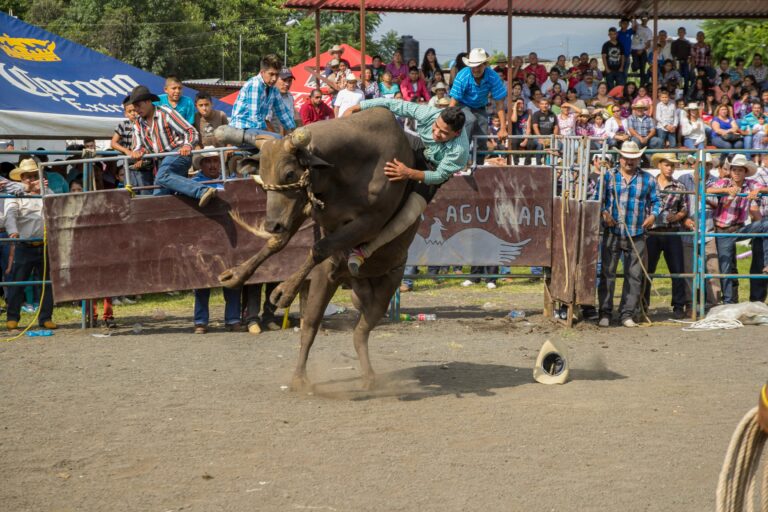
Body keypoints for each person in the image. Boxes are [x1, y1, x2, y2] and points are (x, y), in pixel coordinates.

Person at [342, 100, 468, 276]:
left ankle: (364, 252)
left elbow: (438, 176)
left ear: (457, 133)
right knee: (387, 133)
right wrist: (357, 107)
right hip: (418, 145)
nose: (436, 133)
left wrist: (408, 173)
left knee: (409, 215)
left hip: (433, 169)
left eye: (443, 133)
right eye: (436, 126)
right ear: (437, 117)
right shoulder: (428, 113)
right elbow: (393, 104)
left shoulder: (460, 151)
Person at [597, 141, 660, 327]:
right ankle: (605, 312)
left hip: (637, 232)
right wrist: (604, 212)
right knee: (607, 272)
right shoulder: (608, 177)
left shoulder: (648, 179)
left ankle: (627, 313)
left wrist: (654, 215)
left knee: (634, 275)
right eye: (626, 158)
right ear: (620, 158)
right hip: (612, 231)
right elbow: (597, 199)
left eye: (633, 158)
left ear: (639, 158)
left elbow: (657, 201)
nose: (629, 162)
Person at [128, 85, 215, 207]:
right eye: (134, 106)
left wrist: (187, 145)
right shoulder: (137, 122)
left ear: (148, 101)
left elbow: (191, 131)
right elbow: (138, 146)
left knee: (162, 176)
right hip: (160, 163)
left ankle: (202, 191)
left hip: (179, 154)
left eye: (138, 105)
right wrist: (137, 152)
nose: (136, 109)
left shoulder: (165, 113)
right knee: (159, 199)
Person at [190, 148, 243, 333]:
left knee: (232, 275)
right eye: (208, 161)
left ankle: (233, 319)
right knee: (202, 279)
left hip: (227, 235)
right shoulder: (193, 183)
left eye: (215, 160)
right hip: (203, 236)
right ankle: (201, 321)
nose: (213, 165)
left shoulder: (227, 181)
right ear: (201, 165)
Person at [707, 155, 767, 303]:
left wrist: (758, 191)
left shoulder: (750, 184)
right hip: (723, 230)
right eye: (734, 169)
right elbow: (708, 190)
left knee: (766, 224)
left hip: (739, 229)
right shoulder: (724, 182)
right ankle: (729, 301)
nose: (737, 173)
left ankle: (766, 263)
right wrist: (727, 191)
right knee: (725, 267)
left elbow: (764, 188)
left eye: (740, 170)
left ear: (745, 172)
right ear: (730, 170)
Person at [4, 159, 55, 331]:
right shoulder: (15, 195)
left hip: (44, 243)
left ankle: (46, 317)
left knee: (46, 283)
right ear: (21, 178)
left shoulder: (47, 191)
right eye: (28, 177)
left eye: (35, 175)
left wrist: (44, 191)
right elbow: (10, 215)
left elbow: (56, 206)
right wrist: (13, 232)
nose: (32, 179)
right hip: (23, 244)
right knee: (17, 283)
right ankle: (12, 317)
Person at [643, 153, 688, 319]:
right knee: (648, 269)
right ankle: (643, 304)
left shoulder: (680, 186)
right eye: (667, 165)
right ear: (659, 166)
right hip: (652, 231)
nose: (669, 168)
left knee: (677, 270)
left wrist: (677, 217)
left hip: (672, 231)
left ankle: (678, 306)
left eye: (672, 165)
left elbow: (684, 207)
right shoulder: (649, 183)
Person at [449, 48, 507, 166]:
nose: (475, 69)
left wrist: (503, 128)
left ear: (485, 64)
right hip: (462, 105)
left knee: (483, 133)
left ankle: (478, 167)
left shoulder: (493, 77)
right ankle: (462, 157)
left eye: (479, 66)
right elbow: (453, 102)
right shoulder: (462, 76)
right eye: (473, 66)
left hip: (480, 107)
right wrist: (448, 122)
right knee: (469, 119)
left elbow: (499, 103)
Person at [678, 153, 721, 310]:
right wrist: (683, 220)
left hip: (708, 231)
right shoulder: (683, 180)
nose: (704, 167)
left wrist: (705, 194)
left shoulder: (716, 182)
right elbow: (678, 204)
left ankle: (714, 303)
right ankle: (691, 305)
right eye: (701, 164)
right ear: (694, 164)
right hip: (687, 231)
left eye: (708, 164)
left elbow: (717, 204)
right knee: (689, 270)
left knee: (712, 270)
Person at [230, 54, 296, 135]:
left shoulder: (274, 89)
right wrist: (269, 134)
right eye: (271, 74)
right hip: (241, 127)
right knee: (277, 140)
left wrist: (294, 131)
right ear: (262, 72)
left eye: (277, 74)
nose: (274, 78)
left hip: (255, 128)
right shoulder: (255, 85)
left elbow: (283, 113)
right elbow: (254, 117)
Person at [111, 96, 154, 194]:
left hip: (145, 166)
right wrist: (127, 151)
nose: (133, 113)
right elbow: (113, 143)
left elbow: (151, 144)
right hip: (129, 166)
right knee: (130, 193)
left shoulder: (146, 123)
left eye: (135, 110)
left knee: (146, 194)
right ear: (125, 113)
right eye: (130, 111)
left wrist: (142, 157)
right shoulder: (123, 125)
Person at [266, 68, 297, 135]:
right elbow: (265, 121)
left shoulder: (290, 96)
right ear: (275, 78)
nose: (287, 84)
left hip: (286, 137)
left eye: (289, 81)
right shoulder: (268, 95)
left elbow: (291, 119)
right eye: (284, 80)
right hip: (269, 138)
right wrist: (276, 139)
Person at [630, 15, 652, 85]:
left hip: (643, 51)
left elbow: (648, 44)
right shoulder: (637, 26)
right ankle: (633, 66)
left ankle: (642, 86)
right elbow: (632, 21)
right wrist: (634, 17)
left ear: (648, 19)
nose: (644, 19)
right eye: (643, 17)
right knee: (636, 66)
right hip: (634, 50)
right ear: (640, 19)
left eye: (646, 17)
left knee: (643, 70)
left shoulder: (649, 31)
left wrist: (642, 50)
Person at [671, 27, 693, 92]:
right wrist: (675, 63)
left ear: (685, 33)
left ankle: (686, 91)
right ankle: (679, 91)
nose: (681, 33)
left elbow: (690, 54)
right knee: (679, 77)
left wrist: (689, 60)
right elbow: (673, 54)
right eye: (680, 32)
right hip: (678, 62)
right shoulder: (675, 43)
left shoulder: (688, 43)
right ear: (678, 33)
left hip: (686, 62)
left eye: (682, 32)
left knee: (686, 77)